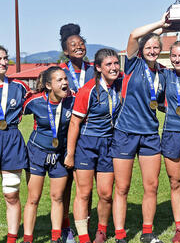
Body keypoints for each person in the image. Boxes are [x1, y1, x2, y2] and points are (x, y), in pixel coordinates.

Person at [109, 15, 167, 243]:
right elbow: (133, 35)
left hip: (151, 134)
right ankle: (121, 234)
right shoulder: (133, 64)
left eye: (156, 48)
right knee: (122, 187)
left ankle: (147, 232)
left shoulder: (163, 72)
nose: (152, 51)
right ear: (142, 50)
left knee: (151, 186)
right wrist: (161, 25)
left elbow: (163, 102)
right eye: (149, 47)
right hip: (125, 132)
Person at [64, 49, 122, 243]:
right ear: (98, 68)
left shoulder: (119, 86)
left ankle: (101, 231)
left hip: (108, 144)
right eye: (109, 64)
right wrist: (70, 154)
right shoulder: (88, 90)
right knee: (84, 193)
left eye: (116, 63)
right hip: (87, 145)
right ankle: (83, 236)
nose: (114, 68)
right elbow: (74, 123)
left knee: (105, 194)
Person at [22, 66, 75, 243]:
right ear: (49, 85)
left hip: (59, 155)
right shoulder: (34, 101)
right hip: (36, 152)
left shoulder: (72, 100)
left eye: (65, 79)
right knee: (33, 198)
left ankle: (55, 238)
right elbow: (14, 113)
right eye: (59, 80)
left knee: (57, 197)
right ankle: (28, 238)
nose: (64, 82)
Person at [59, 23, 95, 243]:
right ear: (66, 50)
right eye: (74, 45)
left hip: (89, 133)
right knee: (65, 184)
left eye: (81, 44)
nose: (79, 47)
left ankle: (84, 227)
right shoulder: (59, 72)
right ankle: (64, 227)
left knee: (86, 186)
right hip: (64, 132)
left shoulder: (94, 69)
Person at [0, 45, 30, 243]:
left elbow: (40, 100)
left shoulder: (19, 87)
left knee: (11, 194)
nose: (4, 62)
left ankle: (11, 238)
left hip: (10, 138)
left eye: (5, 58)